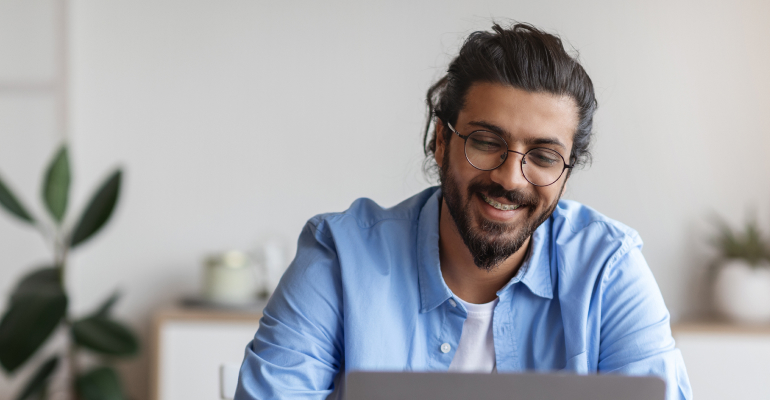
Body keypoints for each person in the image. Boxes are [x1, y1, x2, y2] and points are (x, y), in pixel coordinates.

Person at [235, 22, 691, 400]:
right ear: (441, 141)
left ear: (566, 171)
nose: (511, 178)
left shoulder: (609, 268)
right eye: (487, 142)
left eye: (544, 156)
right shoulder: (339, 257)